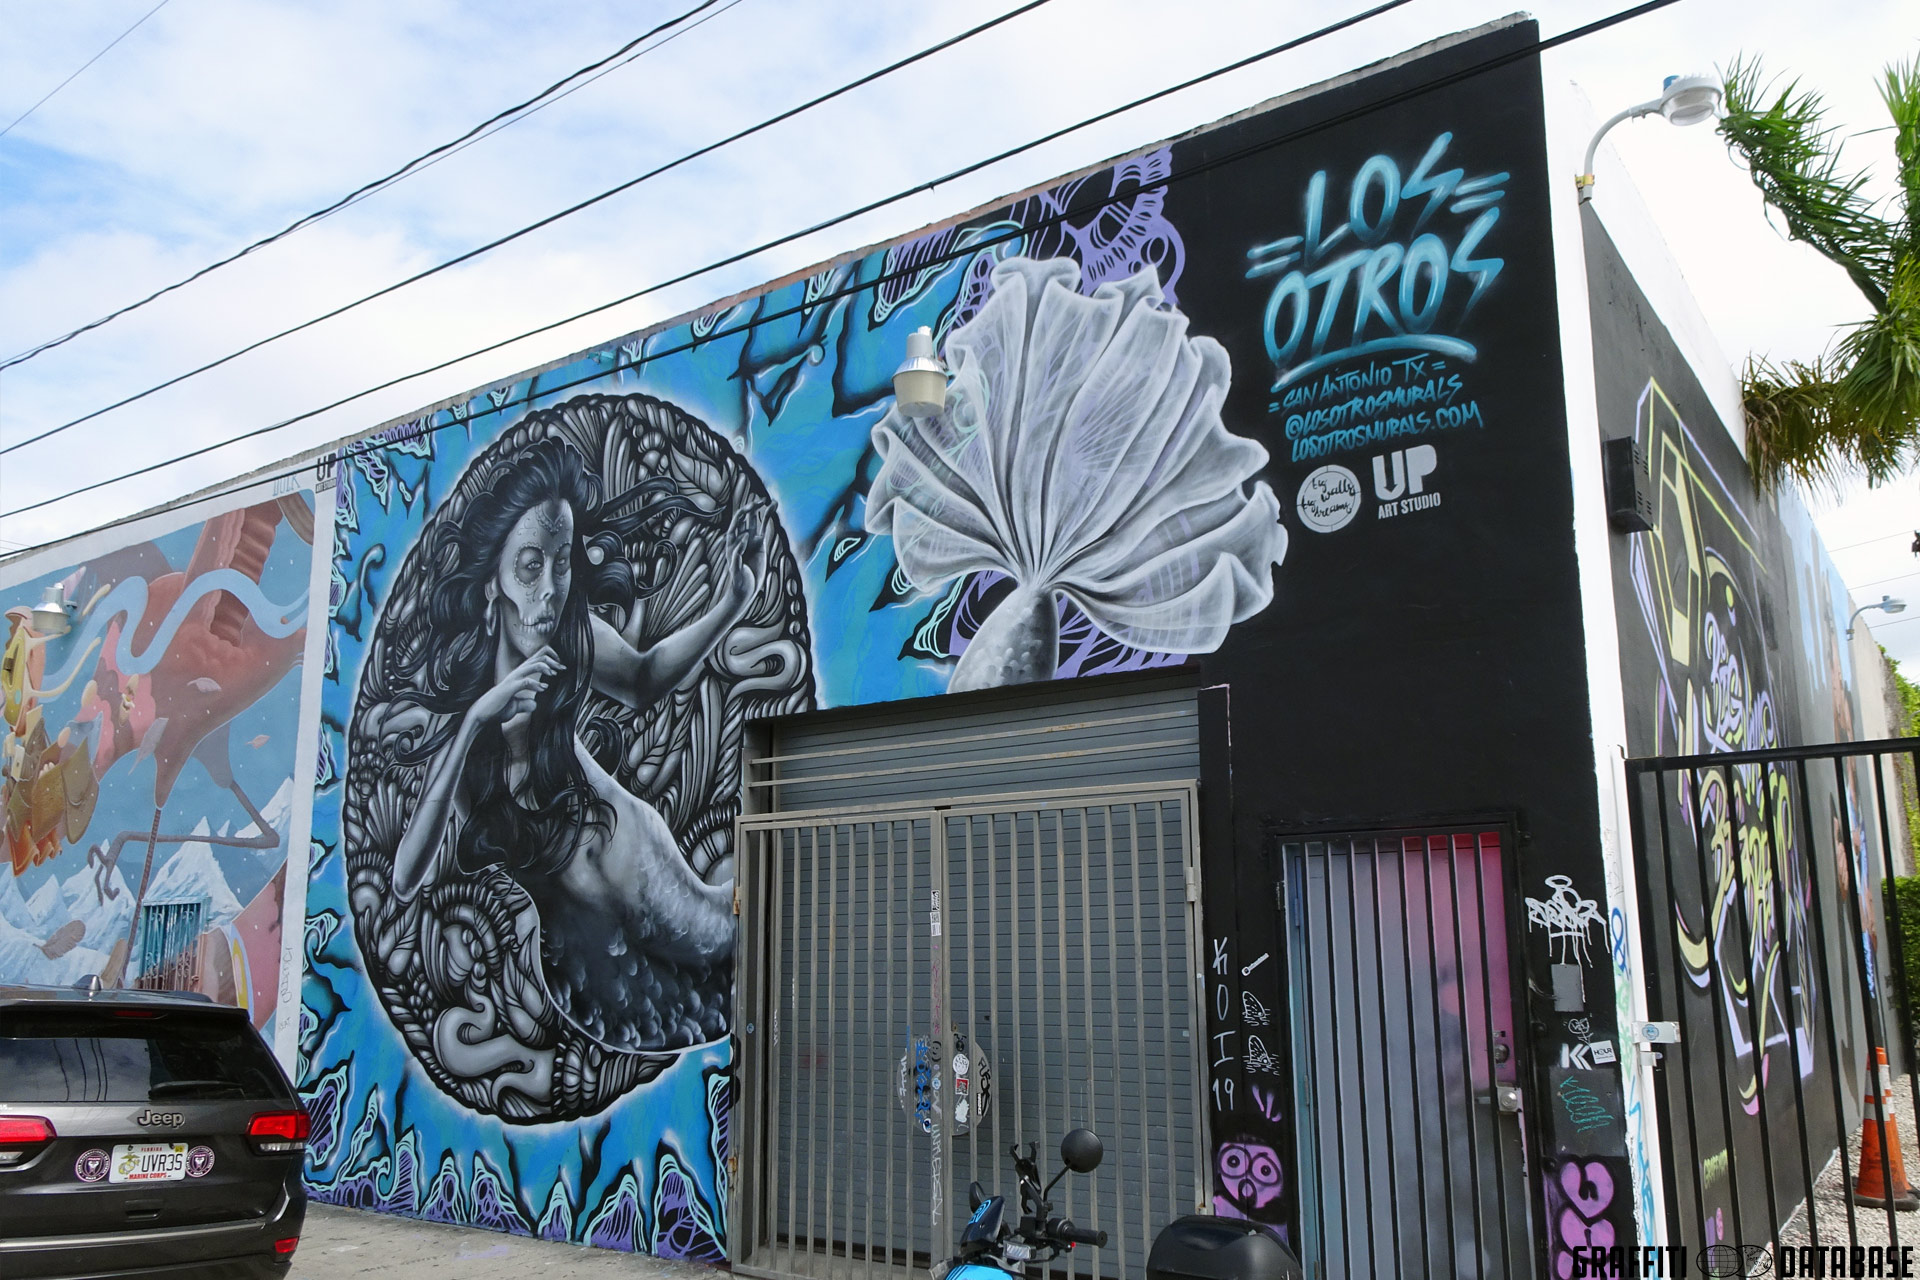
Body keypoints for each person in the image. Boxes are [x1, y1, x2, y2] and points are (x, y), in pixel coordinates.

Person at [377, 434, 765, 1045]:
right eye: (531, 566)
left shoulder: (571, 635)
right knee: (704, 1019)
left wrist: (732, 603)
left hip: (650, 878)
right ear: (493, 580)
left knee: (750, 942)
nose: (550, 591)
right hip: (596, 971)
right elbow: (405, 877)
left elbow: (641, 679)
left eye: (562, 564)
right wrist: (477, 720)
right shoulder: (465, 729)